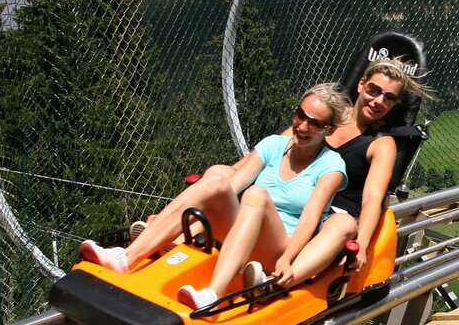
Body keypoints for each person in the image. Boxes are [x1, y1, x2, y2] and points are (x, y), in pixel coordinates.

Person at [79, 83, 351, 309]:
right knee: (217, 182)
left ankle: (212, 293)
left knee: (256, 194)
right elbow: (231, 185)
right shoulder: (273, 145)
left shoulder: (331, 166)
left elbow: (310, 219)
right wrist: (168, 217)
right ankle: (127, 257)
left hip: (278, 245)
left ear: (328, 130)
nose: (302, 126)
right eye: (300, 115)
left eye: (314, 124)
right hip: (243, 229)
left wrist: (287, 258)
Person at [254, 58, 432, 288]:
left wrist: (363, 244)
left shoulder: (382, 144)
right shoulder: (328, 117)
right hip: (301, 201)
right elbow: (280, 148)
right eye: (374, 90)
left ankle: (277, 282)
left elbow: (373, 197)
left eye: (388, 98)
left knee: (342, 225)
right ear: (361, 85)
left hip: (335, 216)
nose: (378, 101)